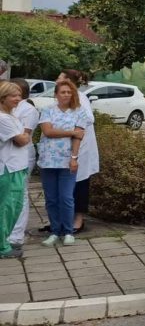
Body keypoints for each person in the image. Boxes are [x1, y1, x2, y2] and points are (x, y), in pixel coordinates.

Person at [37, 80, 89, 249]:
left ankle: (68, 231)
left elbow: (78, 138)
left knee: (66, 197)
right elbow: (47, 131)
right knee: (51, 198)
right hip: (48, 160)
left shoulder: (79, 112)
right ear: (56, 94)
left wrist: (74, 157)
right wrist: (72, 131)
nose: (66, 95)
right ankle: (54, 231)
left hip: (67, 161)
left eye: (69, 92)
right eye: (63, 92)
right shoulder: (47, 111)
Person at [57, 70, 97, 234]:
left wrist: (69, 127)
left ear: (67, 80)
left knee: (79, 184)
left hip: (81, 147)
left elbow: (88, 118)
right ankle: (61, 220)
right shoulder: (62, 96)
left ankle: (78, 220)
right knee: (64, 186)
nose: (57, 79)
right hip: (65, 148)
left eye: (60, 76)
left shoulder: (80, 97)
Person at [0, 82, 33, 257]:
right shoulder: (3, 118)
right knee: (6, 208)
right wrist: (26, 135)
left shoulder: (10, 116)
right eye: (14, 96)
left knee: (14, 207)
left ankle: (4, 242)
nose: (18, 99)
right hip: (8, 169)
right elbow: (21, 140)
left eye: (19, 95)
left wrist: (24, 135)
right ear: (3, 97)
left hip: (16, 167)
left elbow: (22, 137)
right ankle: (2, 247)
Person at [8, 79, 38, 249]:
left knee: (20, 193)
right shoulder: (10, 108)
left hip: (23, 155)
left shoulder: (28, 109)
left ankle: (17, 236)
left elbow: (23, 137)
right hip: (9, 157)